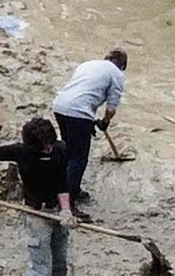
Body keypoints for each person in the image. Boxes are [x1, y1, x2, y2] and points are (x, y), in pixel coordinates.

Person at [0, 117, 78, 276]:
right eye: (44, 146)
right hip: (36, 214)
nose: (48, 149)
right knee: (40, 269)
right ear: (32, 145)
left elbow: (61, 182)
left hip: (58, 212)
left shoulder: (60, 149)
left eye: (50, 144)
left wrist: (66, 210)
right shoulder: (21, 152)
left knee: (60, 266)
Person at [50, 48, 127, 220]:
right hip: (79, 112)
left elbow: (82, 90)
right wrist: (105, 122)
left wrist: (91, 120)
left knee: (69, 152)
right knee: (78, 158)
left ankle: (68, 191)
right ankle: (68, 204)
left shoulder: (88, 64)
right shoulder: (117, 74)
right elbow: (111, 107)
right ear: (122, 66)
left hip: (60, 106)